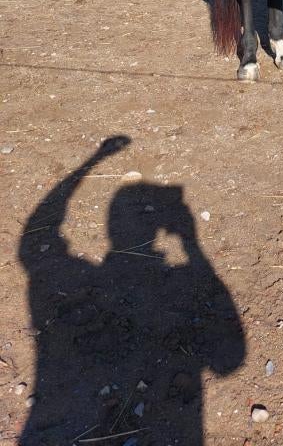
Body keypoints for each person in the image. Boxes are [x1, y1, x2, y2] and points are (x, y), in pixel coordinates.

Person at [18, 136, 245, 445]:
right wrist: (193, 247)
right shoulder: (172, 281)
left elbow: (35, 242)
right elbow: (230, 361)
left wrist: (93, 161)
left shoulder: (74, 278)